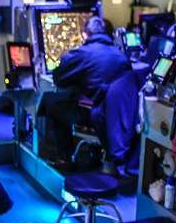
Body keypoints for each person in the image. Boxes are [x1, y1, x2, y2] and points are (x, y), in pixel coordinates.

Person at [39, 16, 130, 167]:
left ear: (85, 35)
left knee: (50, 103)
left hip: (95, 114)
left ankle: (62, 158)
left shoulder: (82, 54)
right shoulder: (121, 55)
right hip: (119, 116)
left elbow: (58, 79)